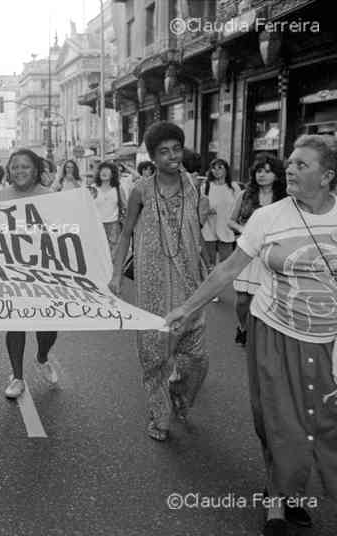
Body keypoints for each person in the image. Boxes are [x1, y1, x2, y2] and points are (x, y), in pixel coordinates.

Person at [165, 134, 337, 536]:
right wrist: (187, 308)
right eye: (289, 162)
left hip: (328, 339)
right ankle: (277, 501)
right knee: (277, 421)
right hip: (275, 332)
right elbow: (226, 270)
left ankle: (292, 489)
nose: (289, 169)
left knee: (320, 421)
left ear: (327, 177)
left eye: (301, 165)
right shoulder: (269, 217)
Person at [109, 121, 209, 442]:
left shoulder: (193, 185)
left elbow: (197, 230)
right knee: (154, 355)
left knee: (196, 358)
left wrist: (208, 264)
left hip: (190, 284)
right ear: (152, 157)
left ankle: (179, 393)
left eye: (176, 149)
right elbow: (125, 234)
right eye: (163, 152)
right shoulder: (141, 189)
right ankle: (159, 414)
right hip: (152, 282)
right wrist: (115, 275)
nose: (172, 156)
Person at [0, 149, 59, 398]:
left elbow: (62, 232)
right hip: (11, 270)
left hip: (44, 271)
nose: (19, 171)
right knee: (15, 323)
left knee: (47, 328)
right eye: (15, 167)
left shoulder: (49, 197)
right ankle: (17, 377)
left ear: (36, 170)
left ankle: (42, 357)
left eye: (26, 167)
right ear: (9, 171)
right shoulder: (0, 196)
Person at [227, 154, 287, 345]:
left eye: (268, 171)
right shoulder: (245, 194)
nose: (262, 175)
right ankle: (242, 326)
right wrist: (243, 229)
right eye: (259, 171)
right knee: (243, 299)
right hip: (246, 252)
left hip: (270, 253)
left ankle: (258, 334)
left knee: (263, 296)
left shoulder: (285, 197)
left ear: (277, 175)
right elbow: (230, 221)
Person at [200, 159, 242, 302]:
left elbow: (240, 207)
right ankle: (211, 292)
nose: (216, 171)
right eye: (214, 168)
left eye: (220, 167)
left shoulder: (234, 187)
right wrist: (206, 210)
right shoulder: (206, 186)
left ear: (226, 170)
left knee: (226, 263)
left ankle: (216, 287)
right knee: (209, 263)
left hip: (226, 229)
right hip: (209, 229)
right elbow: (200, 205)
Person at [89, 162, 127, 257]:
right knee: (97, 255)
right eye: (102, 170)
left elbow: (125, 207)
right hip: (96, 226)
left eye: (107, 171)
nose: (104, 172)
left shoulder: (118, 188)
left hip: (114, 226)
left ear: (112, 174)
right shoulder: (92, 188)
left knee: (112, 257)